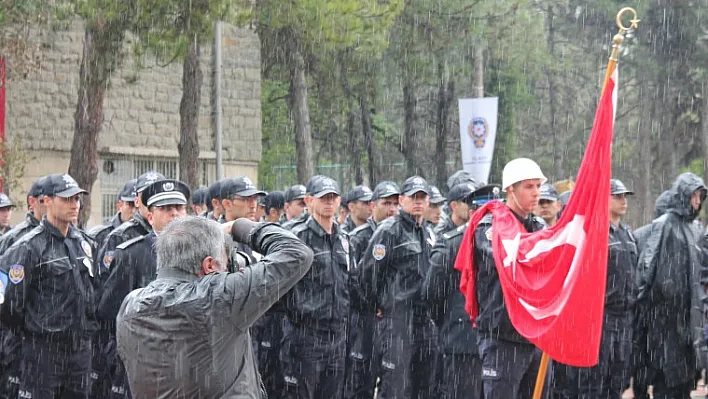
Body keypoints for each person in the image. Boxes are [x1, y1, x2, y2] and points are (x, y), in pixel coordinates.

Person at [115, 216, 314, 398]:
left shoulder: (130, 305)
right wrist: (238, 226)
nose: (229, 271)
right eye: (226, 264)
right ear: (209, 265)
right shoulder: (218, 297)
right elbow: (296, 252)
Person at [0, 173, 97, 398]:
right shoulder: (27, 247)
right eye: (67, 199)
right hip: (43, 351)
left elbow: (93, 292)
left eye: (77, 199)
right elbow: (8, 305)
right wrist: (36, 333)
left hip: (79, 351)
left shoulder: (83, 243)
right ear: (47, 201)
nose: (75, 205)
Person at [98, 179, 190, 398]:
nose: (174, 214)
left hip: (187, 361)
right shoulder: (132, 255)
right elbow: (109, 313)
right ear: (150, 217)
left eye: (179, 208)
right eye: (166, 209)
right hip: (144, 364)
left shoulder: (200, 255)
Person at [553, 178, 638, 399]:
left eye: (624, 196)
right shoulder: (594, 232)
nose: (623, 201)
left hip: (625, 317)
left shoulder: (627, 234)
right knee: (593, 381)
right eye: (617, 196)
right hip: (601, 317)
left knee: (618, 379)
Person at [473, 158, 547, 398]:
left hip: (533, 338)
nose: (536, 193)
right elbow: (512, 260)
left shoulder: (538, 226)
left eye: (538, 186)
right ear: (510, 190)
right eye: (529, 186)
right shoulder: (490, 226)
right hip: (501, 338)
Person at [359, 175, 436, 398]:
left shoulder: (428, 232)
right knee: (395, 385)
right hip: (398, 319)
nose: (419, 202)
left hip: (424, 319)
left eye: (422, 197)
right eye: (414, 197)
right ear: (402, 200)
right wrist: (380, 305)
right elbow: (369, 274)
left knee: (424, 383)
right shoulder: (389, 230)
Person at [636, 172, 708, 398]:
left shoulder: (694, 228)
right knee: (668, 382)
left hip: (689, 320)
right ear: (683, 195)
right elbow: (651, 270)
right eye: (694, 196)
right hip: (667, 322)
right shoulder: (666, 224)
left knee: (685, 382)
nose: (697, 201)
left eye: (700, 197)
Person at [423, 185, 499, 399]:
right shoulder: (453, 244)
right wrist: (449, 321)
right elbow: (431, 292)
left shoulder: (509, 242)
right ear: (473, 213)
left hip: (498, 342)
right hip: (464, 341)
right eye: (485, 213)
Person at [282, 175, 352, 399]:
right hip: (306, 334)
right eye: (323, 198)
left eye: (333, 197)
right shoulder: (296, 237)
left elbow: (352, 280)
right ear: (309, 200)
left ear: (339, 201)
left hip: (337, 335)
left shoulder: (344, 239)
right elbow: (281, 284)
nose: (329, 202)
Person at [346, 181, 401, 399]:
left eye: (395, 204)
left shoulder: (398, 234)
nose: (392, 209)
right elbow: (353, 281)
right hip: (363, 321)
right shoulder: (358, 238)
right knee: (360, 383)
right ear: (373, 206)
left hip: (391, 322)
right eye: (386, 203)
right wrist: (373, 304)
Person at [0, 176, 47, 255]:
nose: (6, 215)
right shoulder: (13, 235)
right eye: (2, 210)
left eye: (8, 210)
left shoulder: (15, 233)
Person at [88, 179, 137, 250]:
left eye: (138, 206)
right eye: (130, 204)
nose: (134, 211)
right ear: (119, 206)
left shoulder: (150, 233)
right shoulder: (101, 235)